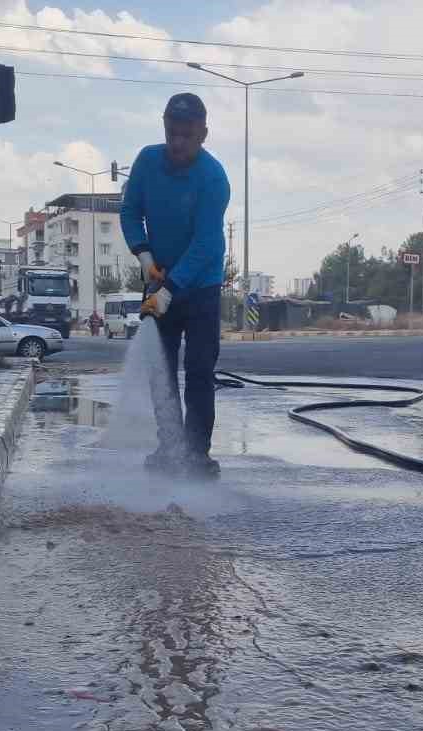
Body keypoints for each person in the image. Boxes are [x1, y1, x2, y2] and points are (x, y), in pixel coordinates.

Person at [121, 92, 231, 478]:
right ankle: (169, 447)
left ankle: (197, 454)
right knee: (161, 370)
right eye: (172, 133)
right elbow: (131, 211)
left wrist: (171, 289)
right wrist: (145, 257)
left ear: (203, 133)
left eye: (187, 135)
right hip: (159, 276)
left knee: (200, 368)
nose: (178, 143)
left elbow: (207, 243)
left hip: (201, 286)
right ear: (163, 126)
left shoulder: (213, 178)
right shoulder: (147, 162)